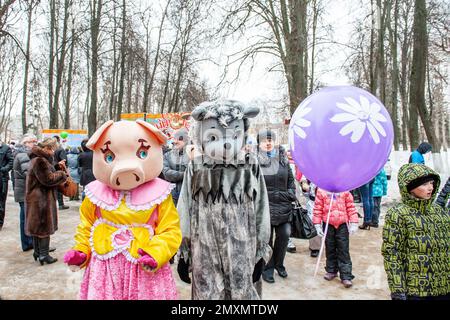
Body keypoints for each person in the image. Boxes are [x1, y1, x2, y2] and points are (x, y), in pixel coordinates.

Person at [382, 163, 449, 300]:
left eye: (431, 183)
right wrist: (397, 289)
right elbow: (392, 254)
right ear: (409, 187)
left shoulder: (439, 212)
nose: (430, 188)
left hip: (444, 287)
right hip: (417, 290)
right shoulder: (398, 214)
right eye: (424, 184)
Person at [257, 129, 296, 283]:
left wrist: (290, 194)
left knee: (285, 235)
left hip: (283, 207)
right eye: (264, 140)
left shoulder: (283, 159)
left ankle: (279, 264)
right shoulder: (255, 162)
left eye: (270, 140)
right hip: (265, 209)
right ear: (259, 143)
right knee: (267, 239)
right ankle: (268, 267)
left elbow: (291, 182)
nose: (268, 143)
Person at [25, 138, 68, 265]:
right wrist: (61, 174)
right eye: (52, 148)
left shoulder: (38, 159)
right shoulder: (40, 160)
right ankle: (43, 255)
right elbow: (47, 179)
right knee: (43, 227)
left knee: (37, 227)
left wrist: (55, 166)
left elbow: (43, 174)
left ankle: (38, 252)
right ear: (46, 148)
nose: (53, 151)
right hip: (41, 200)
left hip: (37, 198)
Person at [313, 188, 359, 288]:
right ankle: (331, 270)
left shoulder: (345, 190)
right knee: (330, 248)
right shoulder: (321, 190)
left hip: (342, 224)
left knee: (343, 249)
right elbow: (317, 208)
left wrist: (354, 222)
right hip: (328, 224)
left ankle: (346, 275)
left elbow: (351, 207)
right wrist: (317, 224)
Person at [13, 134, 37, 251]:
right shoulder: (23, 154)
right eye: (32, 141)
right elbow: (29, 174)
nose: (35, 143)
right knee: (26, 218)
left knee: (26, 217)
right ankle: (28, 243)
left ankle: (29, 242)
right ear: (25, 143)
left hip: (23, 191)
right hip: (24, 191)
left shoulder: (24, 153)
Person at [162, 128, 190, 206]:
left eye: (180, 138)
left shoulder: (194, 154)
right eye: (175, 138)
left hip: (190, 196)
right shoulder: (167, 155)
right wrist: (187, 174)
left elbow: (197, 173)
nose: (176, 141)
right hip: (173, 197)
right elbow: (167, 174)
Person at [301, 179, 321, 257]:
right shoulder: (310, 173)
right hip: (313, 202)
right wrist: (304, 186)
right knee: (314, 223)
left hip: (327, 200)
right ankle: (315, 247)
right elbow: (306, 189)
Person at [0, 139, 14, 231]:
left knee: (1, 201)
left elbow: (11, 161)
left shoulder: (6, 148)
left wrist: (3, 169)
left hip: (3, 178)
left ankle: (0, 223)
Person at [53, 135, 69, 210]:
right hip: (58, 169)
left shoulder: (51, 149)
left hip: (52, 169)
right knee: (59, 187)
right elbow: (64, 160)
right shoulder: (60, 149)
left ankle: (55, 203)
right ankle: (60, 204)